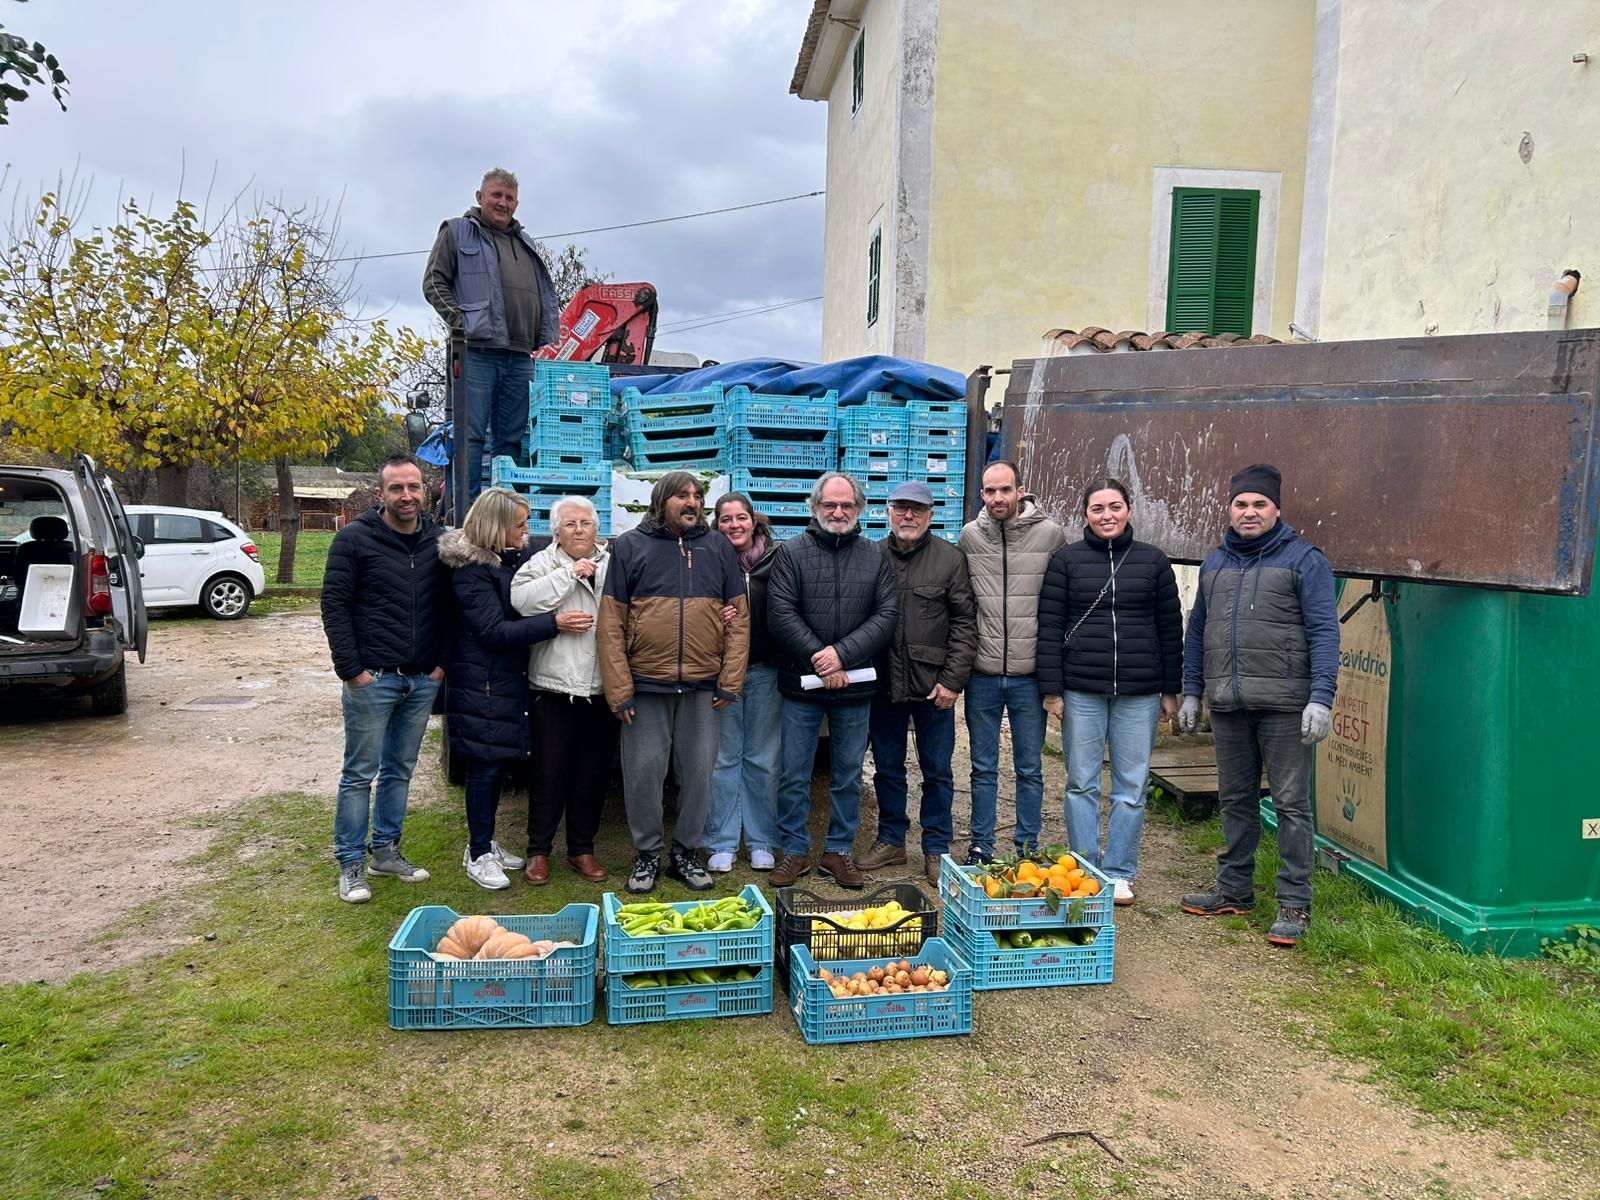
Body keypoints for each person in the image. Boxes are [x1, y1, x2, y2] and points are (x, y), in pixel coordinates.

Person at [1178, 464, 1338, 947]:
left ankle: (1294, 901)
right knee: (1235, 798)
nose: (1249, 512)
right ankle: (1234, 888)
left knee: (1291, 804)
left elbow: (1324, 631)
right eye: (1241, 504)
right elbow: (1198, 631)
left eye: (1259, 504)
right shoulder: (1215, 564)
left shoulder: (1305, 561)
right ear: (1229, 510)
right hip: (1228, 703)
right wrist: (1192, 691)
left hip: (1286, 706)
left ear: (1277, 510)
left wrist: (1321, 697)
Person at [597, 472, 750, 894]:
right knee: (644, 774)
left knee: (700, 775)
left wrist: (729, 680)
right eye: (682, 495)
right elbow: (611, 623)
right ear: (661, 499)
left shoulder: (718, 547)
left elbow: (739, 620)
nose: (692, 502)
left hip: (702, 687)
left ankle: (685, 852)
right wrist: (620, 688)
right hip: (646, 686)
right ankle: (646, 854)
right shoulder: (629, 547)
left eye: (698, 496)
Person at [1038, 478, 1182, 907]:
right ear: (1085, 514)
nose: (1107, 515)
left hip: (1140, 692)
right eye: (1098, 508)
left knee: (1131, 786)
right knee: (1080, 781)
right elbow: (1049, 628)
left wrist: (1170, 689)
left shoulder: (1154, 562)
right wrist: (1052, 690)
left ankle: (1120, 871)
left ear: (1129, 510)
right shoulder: (1066, 561)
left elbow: (1170, 629)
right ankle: (1085, 868)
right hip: (1081, 689)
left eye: (1115, 507)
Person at [321, 452, 449, 903]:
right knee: (359, 773)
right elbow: (334, 607)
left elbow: (453, 607)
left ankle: (386, 851)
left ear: (425, 490)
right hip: (373, 679)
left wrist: (440, 664)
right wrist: (352, 671)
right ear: (380, 494)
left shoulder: (440, 541)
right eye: (397, 488)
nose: (407, 496)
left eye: (413, 487)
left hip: (421, 679)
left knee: (400, 770)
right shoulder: (354, 540)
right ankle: (351, 863)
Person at [767, 472, 899, 890]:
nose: (838, 512)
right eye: (830, 505)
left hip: (855, 685)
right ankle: (794, 850)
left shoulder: (875, 556)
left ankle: (838, 851)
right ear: (815, 508)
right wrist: (823, 660)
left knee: (847, 773)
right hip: (802, 684)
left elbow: (886, 615)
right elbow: (781, 613)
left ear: (859, 509)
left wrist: (842, 655)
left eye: (846, 505)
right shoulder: (791, 553)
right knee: (794, 771)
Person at [857, 481, 978, 886]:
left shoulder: (950, 559)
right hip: (883, 683)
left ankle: (936, 848)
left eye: (918, 510)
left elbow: (964, 624)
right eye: (901, 508)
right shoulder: (870, 556)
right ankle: (891, 839)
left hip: (933, 686)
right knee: (887, 768)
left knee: (938, 770)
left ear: (930, 516)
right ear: (888, 512)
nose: (909, 516)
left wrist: (952, 682)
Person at [438, 488, 558, 889]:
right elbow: (492, 631)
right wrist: (554, 623)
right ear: (496, 528)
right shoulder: (471, 572)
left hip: (501, 679)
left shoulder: (503, 561)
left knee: (497, 764)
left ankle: (485, 842)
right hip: (482, 682)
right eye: (520, 525)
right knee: (483, 768)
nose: (527, 531)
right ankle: (477, 852)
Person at [422, 166, 560, 506]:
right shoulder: (457, 232)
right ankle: (465, 517)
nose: (502, 202)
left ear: (516, 204)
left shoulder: (524, 242)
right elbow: (433, 282)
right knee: (468, 439)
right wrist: (460, 322)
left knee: (511, 442)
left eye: (509, 198)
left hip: (519, 356)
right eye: (496, 195)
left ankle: (502, 518)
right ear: (479, 197)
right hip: (476, 353)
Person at [958, 459, 1066, 863]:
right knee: (982, 766)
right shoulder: (970, 536)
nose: (998, 497)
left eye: (1006, 489)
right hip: (983, 673)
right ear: (982, 494)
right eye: (990, 491)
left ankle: (1027, 847)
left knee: (1029, 768)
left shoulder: (1050, 535)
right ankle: (981, 845)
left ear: (1021, 491)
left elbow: (1062, 603)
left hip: (1029, 673)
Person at [509, 496, 615, 885]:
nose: (579, 530)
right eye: (569, 525)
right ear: (555, 532)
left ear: (597, 528)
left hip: (601, 686)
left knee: (593, 773)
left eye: (585, 523)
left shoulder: (613, 563)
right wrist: (570, 575)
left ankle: (582, 849)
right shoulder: (542, 562)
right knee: (549, 772)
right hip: (554, 686)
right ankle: (538, 851)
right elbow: (521, 601)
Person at [703, 493, 782, 873]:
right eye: (725, 519)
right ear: (716, 524)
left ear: (754, 522)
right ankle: (721, 840)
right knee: (723, 758)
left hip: (767, 669)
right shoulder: (705, 560)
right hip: (722, 672)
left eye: (741, 518)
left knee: (763, 759)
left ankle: (761, 839)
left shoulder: (777, 559)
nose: (734, 525)